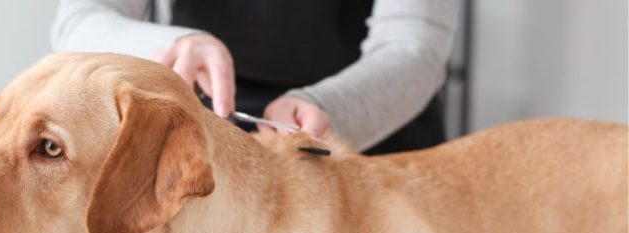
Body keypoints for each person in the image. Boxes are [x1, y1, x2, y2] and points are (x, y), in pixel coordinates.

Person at [51, 0, 459, 154]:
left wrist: (325, 106)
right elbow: (79, 19)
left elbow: (414, 47)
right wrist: (177, 44)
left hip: (371, 138)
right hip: (212, 140)